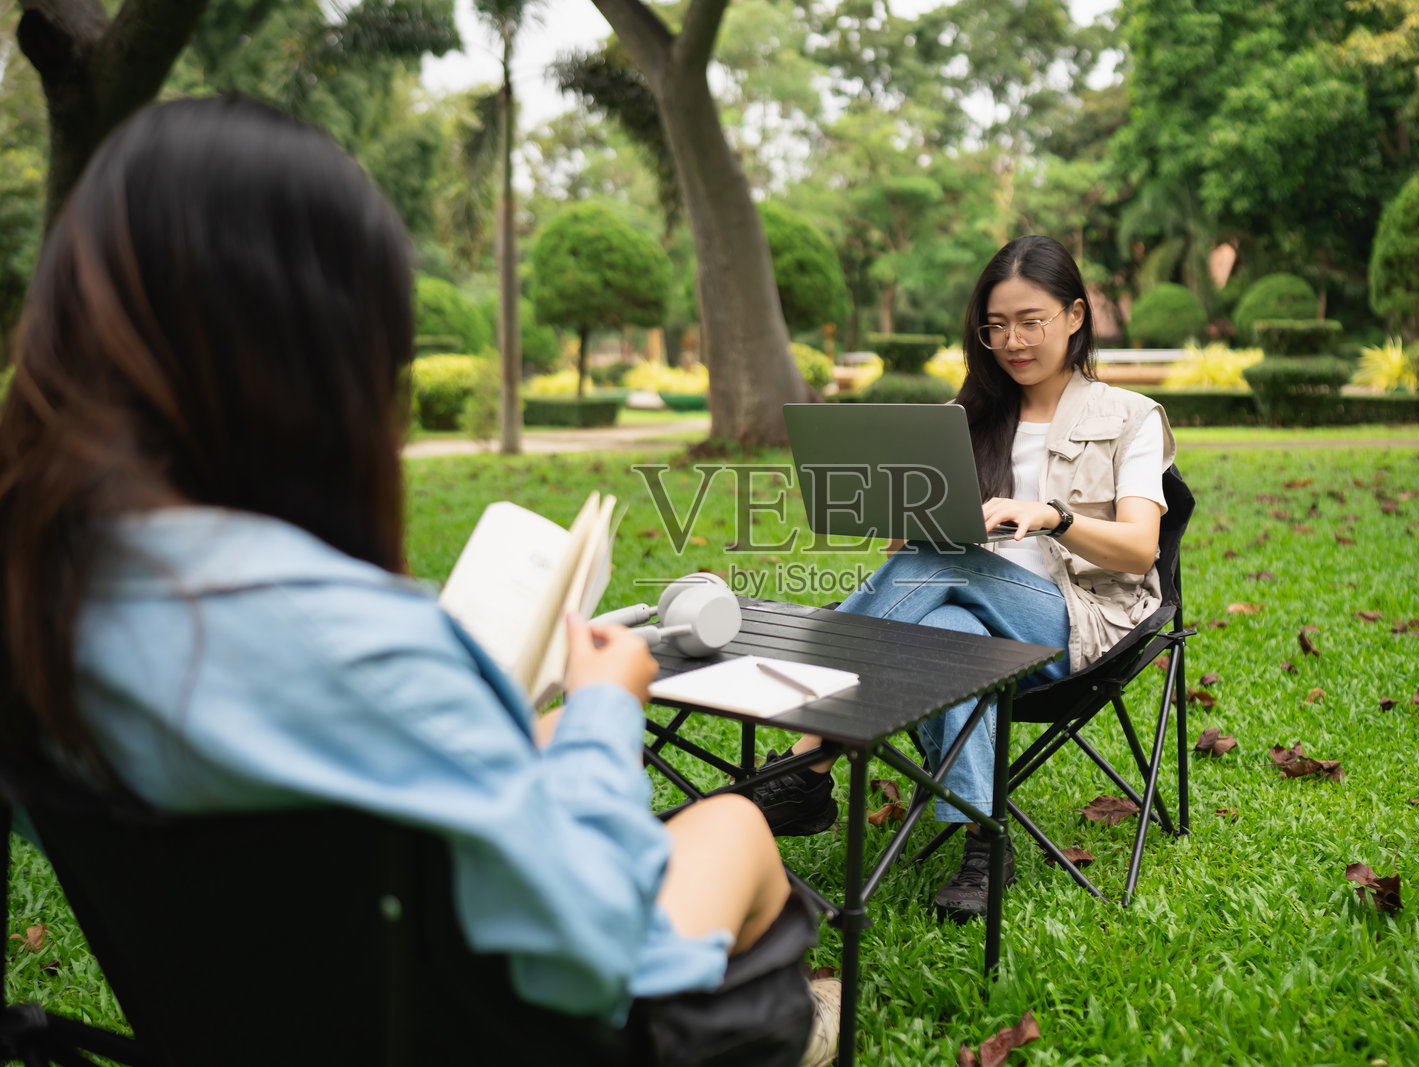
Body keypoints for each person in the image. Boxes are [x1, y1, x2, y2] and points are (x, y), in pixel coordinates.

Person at [0, 97, 837, 1066]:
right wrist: (607, 706)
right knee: (732, 825)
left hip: (253, 1024)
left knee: (546, 741)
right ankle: (790, 1024)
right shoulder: (355, 645)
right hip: (517, 1035)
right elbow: (592, 945)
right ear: (322, 355)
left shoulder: (39, 606)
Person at [752, 235, 1175, 921]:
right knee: (951, 630)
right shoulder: (966, 418)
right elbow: (910, 549)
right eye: (995, 325)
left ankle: (805, 754)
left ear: (1075, 315)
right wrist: (898, 511)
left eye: (1030, 321)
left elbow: (1138, 550)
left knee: (944, 566)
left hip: (1077, 625)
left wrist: (1054, 517)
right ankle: (985, 844)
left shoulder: (1131, 417)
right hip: (969, 612)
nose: (1012, 341)